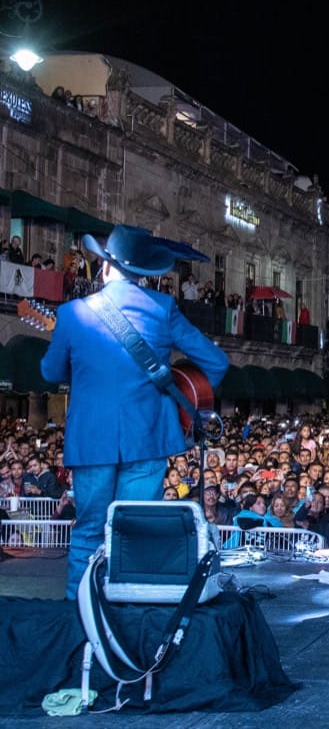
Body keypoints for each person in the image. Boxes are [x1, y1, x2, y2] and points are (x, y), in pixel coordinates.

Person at [39, 225, 228, 599]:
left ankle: (79, 621)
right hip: (148, 438)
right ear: (143, 273)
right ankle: (129, 616)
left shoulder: (72, 313)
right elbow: (216, 362)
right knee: (136, 531)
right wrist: (180, 384)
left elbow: (49, 372)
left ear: (105, 267)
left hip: (92, 440)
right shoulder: (163, 309)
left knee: (89, 530)